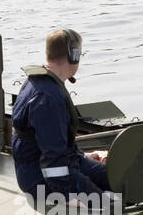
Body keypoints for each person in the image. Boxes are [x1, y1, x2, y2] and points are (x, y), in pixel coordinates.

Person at [10, 29, 109, 198]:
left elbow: (51, 143)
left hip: (63, 164)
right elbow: (53, 163)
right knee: (110, 204)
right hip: (41, 178)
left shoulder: (40, 82)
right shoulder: (47, 98)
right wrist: (71, 195)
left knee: (118, 178)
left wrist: (82, 157)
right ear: (74, 55)